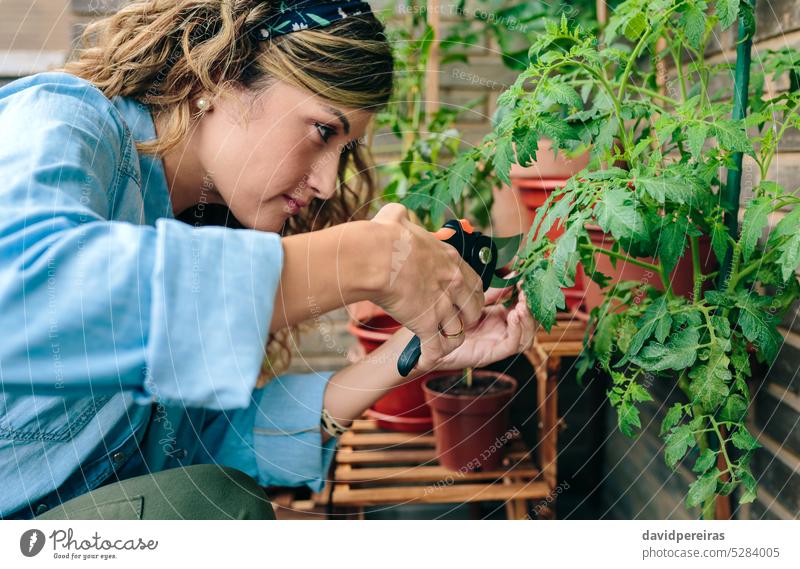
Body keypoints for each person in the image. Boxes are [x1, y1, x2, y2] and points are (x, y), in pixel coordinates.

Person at [0, 0, 536, 520]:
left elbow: (196, 449)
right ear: (219, 74)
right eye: (323, 130)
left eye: (344, 151)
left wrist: (405, 357)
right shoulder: (60, 121)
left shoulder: (203, 222)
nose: (327, 183)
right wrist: (365, 257)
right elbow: (23, 301)